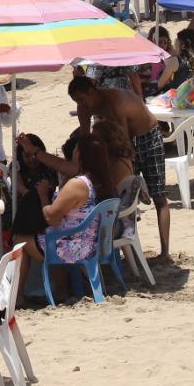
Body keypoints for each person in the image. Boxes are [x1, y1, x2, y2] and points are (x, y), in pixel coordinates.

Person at [63, 75, 170, 264]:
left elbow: (124, 142)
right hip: (122, 141)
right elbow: (86, 141)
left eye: (82, 99)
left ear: (93, 92)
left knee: (159, 196)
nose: (81, 105)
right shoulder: (83, 107)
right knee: (122, 197)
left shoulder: (115, 101)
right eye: (76, 101)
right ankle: (129, 249)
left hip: (147, 136)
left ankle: (165, 253)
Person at [18, 131, 118, 305]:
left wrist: (43, 195)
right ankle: (60, 288)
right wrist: (34, 150)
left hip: (75, 247)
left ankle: (20, 295)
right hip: (91, 242)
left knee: (20, 240)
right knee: (48, 234)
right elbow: (63, 167)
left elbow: (50, 217)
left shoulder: (77, 184)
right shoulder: (101, 178)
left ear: (78, 155)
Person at [10, 133, 57, 240]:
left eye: (34, 155)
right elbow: (21, 188)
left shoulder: (49, 168)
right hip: (23, 210)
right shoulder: (15, 167)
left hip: (46, 209)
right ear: (20, 156)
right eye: (27, 156)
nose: (32, 159)